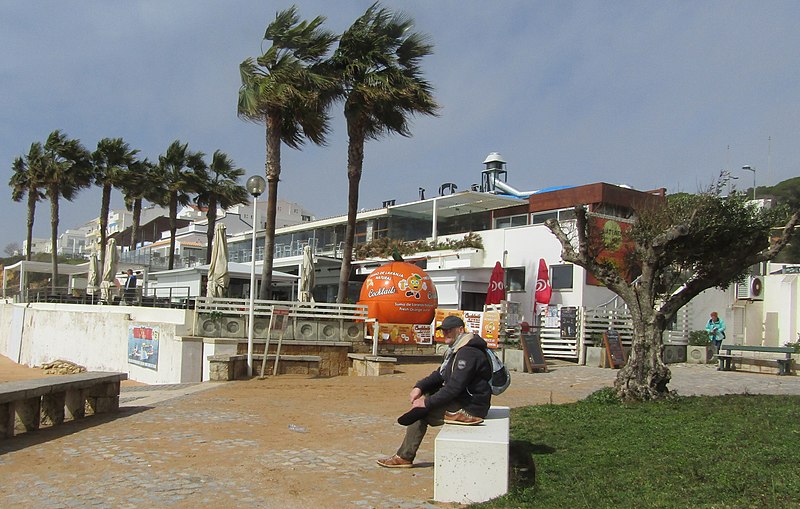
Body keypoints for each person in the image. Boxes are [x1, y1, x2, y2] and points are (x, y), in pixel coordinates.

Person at [377, 315, 493, 468]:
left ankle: (404, 457)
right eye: (443, 331)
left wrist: (426, 403)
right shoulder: (457, 350)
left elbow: (454, 388)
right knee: (424, 401)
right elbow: (440, 374)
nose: (445, 334)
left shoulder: (468, 353)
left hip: (471, 407)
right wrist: (420, 387)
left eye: (449, 330)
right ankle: (404, 456)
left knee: (420, 413)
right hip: (465, 400)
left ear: (460, 330)